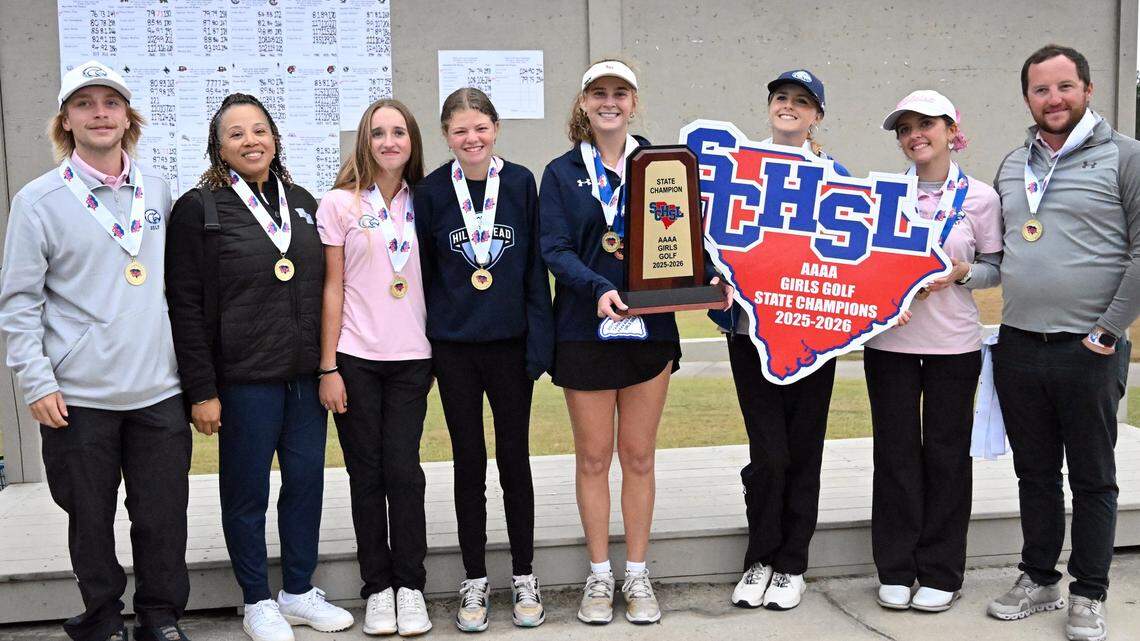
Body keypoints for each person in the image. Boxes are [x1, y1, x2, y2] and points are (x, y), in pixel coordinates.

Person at [0, 60, 190, 641]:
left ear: (129, 116)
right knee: (90, 521)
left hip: (158, 391)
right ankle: (103, 619)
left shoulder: (158, 190)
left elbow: (176, 290)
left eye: (112, 102)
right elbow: (19, 302)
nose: (100, 112)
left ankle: (160, 618)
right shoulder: (38, 201)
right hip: (77, 398)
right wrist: (37, 381)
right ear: (66, 120)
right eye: (86, 103)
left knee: (161, 520)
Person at [165, 93, 353, 641]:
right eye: (237, 134)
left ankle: (297, 590)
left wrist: (326, 367)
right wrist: (201, 390)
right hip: (243, 381)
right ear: (218, 147)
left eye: (260, 130)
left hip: (302, 378)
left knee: (305, 485)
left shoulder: (301, 201)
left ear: (275, 137)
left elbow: (324, 286)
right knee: (245, 492)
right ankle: (256, 599)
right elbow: (185, 304)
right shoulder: (199, 209)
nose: (251, 141)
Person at [984, 44, 1139, 641]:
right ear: (1028, 97)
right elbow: (999, 258)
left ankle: (1089, 592)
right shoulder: (1011, 164)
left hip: (1089, 347)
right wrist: (948, 273)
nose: (1054, 99)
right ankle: (1038, 578)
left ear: (1088, 89)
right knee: (1036, 473)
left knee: (1093, 477)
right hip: (1019, 344)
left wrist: (1108, 330)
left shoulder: (1126, 157)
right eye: (1041, 90)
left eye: (1064, 87)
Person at [414, 88, 554, 632]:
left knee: (515, 461)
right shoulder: (429, 192)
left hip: (510, 347)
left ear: (496, 127)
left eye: (481, 127)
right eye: (459, 130)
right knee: (468, 462)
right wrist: (426, 350)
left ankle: (524, 575)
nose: (472, 139)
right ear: (446, 135)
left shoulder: (520, 183)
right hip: (454, 350)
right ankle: (473, 580)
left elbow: (533, 273)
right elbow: (424, 276)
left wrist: (539, 346)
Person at [863, 90, 1002, 612]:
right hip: (889, 343)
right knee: (895, 454)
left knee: (946, 458)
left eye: (926, 124)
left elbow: (996, 266)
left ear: (951, 129)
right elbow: (865, 265)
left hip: (954, 346)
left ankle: (942, 570)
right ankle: (896, 568)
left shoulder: (981, 199)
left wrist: (962, 273)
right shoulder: (879, 196)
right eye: (904, 129)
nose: (914, 135)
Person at [721, 69, 851, 612]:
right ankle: (760, 556)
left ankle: (792, 563)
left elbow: (850, 259)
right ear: (769, 106)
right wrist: (716, 285)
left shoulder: (835, 175)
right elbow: (714, 243)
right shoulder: (738, 169)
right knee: (768, 453)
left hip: (812, 339)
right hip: (751, 335)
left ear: (817, 115)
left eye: (802, 101)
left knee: (804, 451)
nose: (790, 107)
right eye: (781, 98)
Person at [315, 98, 434, 637]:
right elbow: (332, 286)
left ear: (412, 142)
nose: (390, 142)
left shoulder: (426, 199)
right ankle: (377, 589)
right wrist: (327, 366)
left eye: (399, 132)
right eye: (379, 132)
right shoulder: (339, 204)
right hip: (355, 359)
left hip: (413, 357)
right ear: (365, 141)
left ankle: (411, 586)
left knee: (404, 472)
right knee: (367, 474)